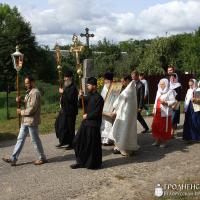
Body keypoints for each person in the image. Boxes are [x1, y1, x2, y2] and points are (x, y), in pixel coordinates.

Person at [2, 76, 47, 166]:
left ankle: (42, 158)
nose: (26, 85)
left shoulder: (35, 93)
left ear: (33, 82)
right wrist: (20, 101)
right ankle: (13, 158)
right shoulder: (29, 93)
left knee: (35, 140)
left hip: (32, 121)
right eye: (25, 83)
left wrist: (21, 112)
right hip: (25, 120)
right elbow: (27, 104)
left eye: (28, 83)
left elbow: (32, 109)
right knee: (20, 139)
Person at [71, 77, 104, 169]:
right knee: (77, 141)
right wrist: (80, 96)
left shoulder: (99, 98)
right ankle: (80, 161)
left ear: (94, 86)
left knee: (91, 145)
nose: (87, 86)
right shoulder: (88, 96)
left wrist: (88, 116)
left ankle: (93, 164)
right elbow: (80, 105)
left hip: (93, 124)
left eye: (88, 85)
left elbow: (97, 112)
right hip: (85, 123)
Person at [110, 80, 139, 156]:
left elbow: (118, 102)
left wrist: (114, 108)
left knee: (120, 130)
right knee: (129, 132)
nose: (122, 83)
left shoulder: (126, 92)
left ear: (127, 81)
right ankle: (129, 148)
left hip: (123, 115)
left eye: (123, 81)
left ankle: (121, 148)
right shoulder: (133, 92)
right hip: (130, 116)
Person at [55, 71, 78, 150]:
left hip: (71, 111)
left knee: (70, 128)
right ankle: (63, 141)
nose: (65, 79)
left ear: (70, 78)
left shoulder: (73, 87)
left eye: (66, 77)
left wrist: (63, 92)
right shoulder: (66, 86)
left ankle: (72, 144)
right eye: (64, 77)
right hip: (64, 110)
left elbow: (70, 98)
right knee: (61, 126)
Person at [151, 78, 176, 148]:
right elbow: (156, 101)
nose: (161, 85)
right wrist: (154, 109)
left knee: (164, 128)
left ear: (166, 84)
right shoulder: (158, 91)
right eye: (160, 84)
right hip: (158, 112)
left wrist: (165, 102)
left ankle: (164, 141)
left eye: (162, 84)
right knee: (155, 126)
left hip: (165, 113)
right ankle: (157, 140)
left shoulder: (170, 91)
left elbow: (173, 101)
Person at [101, 72, 114, 145]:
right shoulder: (104, 88)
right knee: (105, 124)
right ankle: (105, 140)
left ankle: (110, 139)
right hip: (105, 109)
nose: (107, 82)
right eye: (107, 80)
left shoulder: (112, 86)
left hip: (111, 108)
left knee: (109, 124)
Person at [169, 73, 182, 137]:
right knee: (170, 118)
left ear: (176, 78)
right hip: (169, 104)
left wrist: (175, 105)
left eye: (173, 78)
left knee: (173, 119)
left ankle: (172, 132)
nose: (172, 79)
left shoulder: (178, 85)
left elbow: (179, 96)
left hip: (176, 103)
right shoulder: (169, 85)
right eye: (171, 78)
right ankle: (171, 132)